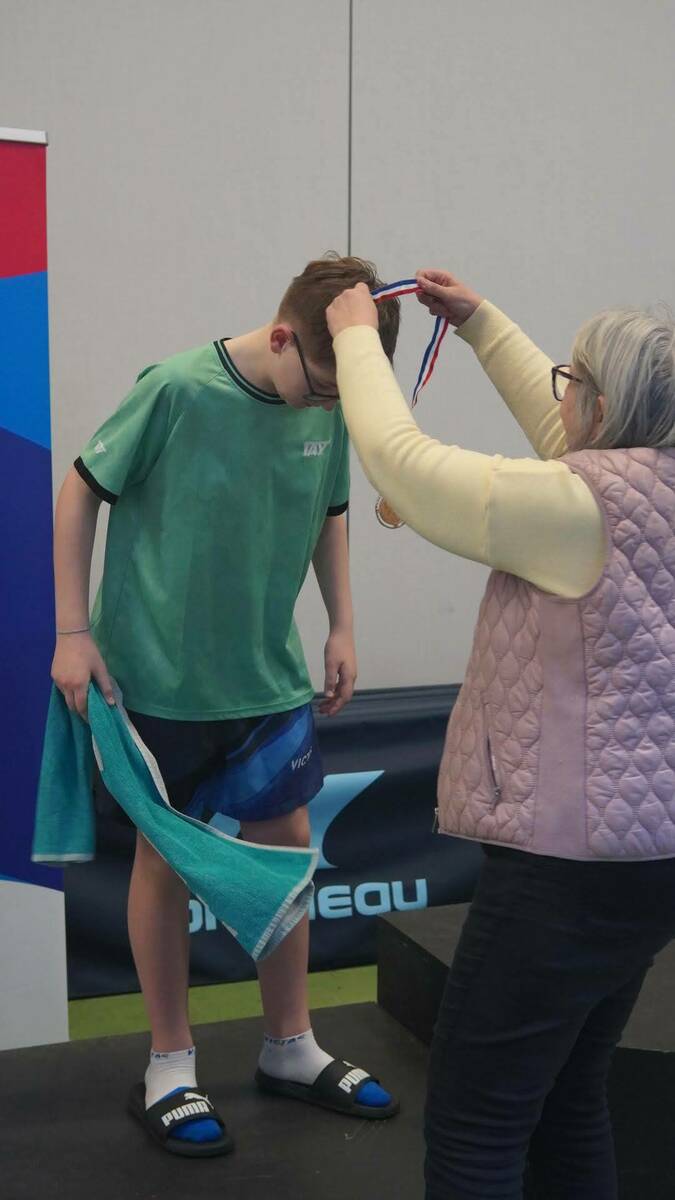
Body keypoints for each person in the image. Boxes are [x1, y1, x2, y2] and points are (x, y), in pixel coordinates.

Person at [326, 269, 675, 1199]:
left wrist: (356, 335)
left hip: (564, 878)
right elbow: (572, 442)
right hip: (646, 862)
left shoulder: (574, 509)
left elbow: (402, 463)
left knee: (475, 1127)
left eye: (572, 382)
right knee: (567, 1100)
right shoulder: (642, 490)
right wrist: (481, 325)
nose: (561, 397)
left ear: (599, 404)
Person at [50, 254, 400, 1157]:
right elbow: (80, 489)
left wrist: (342, 624)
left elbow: (330, 513)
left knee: (285, 850)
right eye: (319, 386)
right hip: (158, 683)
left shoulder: (328, 404)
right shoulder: (174, 390)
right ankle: (170, 1063)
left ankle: (290, 1044)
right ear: (282, 337)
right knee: (165, 863)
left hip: (266, 679)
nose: (324, 406)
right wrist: (72, 631)